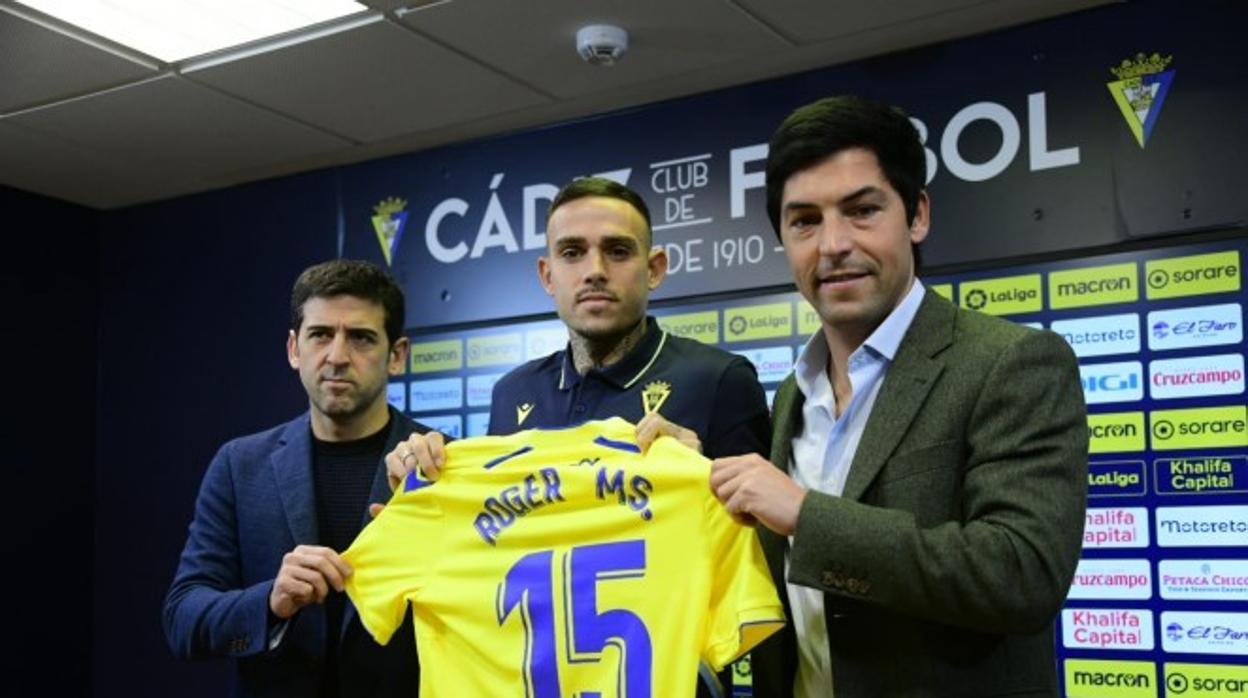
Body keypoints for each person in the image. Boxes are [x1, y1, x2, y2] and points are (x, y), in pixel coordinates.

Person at [709, 95, 1088, 697]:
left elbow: (1021, 575)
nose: (832, 244)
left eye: (861, 211)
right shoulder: (791, 395)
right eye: (804, 221)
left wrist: (807, 516)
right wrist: (696, 477)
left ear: (917, 216)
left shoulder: (1011, 362)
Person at [384, 176, 772, 696]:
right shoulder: (511, 392)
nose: (594, 271)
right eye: (572, 252)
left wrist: (710, 486)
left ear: (654, 268)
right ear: (547, 274)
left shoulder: (720, 379)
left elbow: (764, 561)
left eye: (617, 251)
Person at [164, 259, 433, 698]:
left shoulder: (442, 467)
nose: (338, 356)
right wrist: (270, 602)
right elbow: (183, 619)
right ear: (294, 349)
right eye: (321, 335)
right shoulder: (239, 465)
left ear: (397, 355)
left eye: (362, 338)